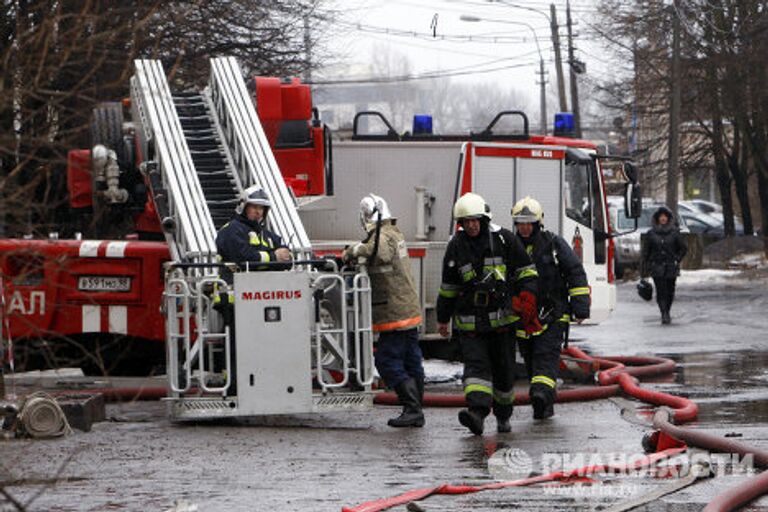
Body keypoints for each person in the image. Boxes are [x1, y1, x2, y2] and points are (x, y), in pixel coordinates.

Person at [436, 192, 540, 435]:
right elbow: (449, 286)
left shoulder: (504, 240)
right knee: (476, 369)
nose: (471, 225)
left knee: (504, 375)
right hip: (471, 325)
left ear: (483, 219)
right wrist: (442, 318)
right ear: (460, 224)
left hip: (502, 323)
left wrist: (527, 297)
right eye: (466, 221)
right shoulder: (456, 246)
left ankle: (503, 416)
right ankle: (477, 414)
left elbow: (528, 273)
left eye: (475, 220)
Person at [343, 194, 424, 428]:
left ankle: (413, 408)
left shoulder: (383, 235)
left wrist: (352, 251)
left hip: (395, 312)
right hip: (406, 309)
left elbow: (381, 254)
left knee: (386, 360)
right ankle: (416, 407)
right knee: (411, 360)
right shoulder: (394, 233)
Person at [511, 196, 590, 420]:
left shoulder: (554, 244)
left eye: (529, 223)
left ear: (538, 223)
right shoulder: (510, 247)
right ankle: (544, 404)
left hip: (553, 314)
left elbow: (575, 272)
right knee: (530, 360)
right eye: (520, 223)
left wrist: (580, 308)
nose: (525, 227)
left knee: (545, 357)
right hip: (524, 318)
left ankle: (540, 394)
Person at [213, 185, 292, 393]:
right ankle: (231, 385)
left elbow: (287, 259)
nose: (257, 212)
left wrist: (274, 257)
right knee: (236, 343)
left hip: (262, 298)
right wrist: (272, 257)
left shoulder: (266, 234)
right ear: (243, 207)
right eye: (254, 207)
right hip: (233, 297)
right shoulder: (230, 230)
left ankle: (261, 383)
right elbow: (243, 257)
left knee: (262, 343)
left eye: (261, 209)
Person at [641, 205, 687, 324]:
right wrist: (645, 268)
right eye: (661, 216)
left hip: (671, 266)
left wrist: (677, 258)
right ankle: (664, 313)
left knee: (670, 291)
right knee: (661, 291)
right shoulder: (651, 234)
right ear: (657, 219)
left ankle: (667, 310)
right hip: (657, 267)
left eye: (665, 216)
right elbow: (646, 252)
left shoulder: (675, 233)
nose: (663, 218)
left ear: (668, 218)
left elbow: (683, 248)